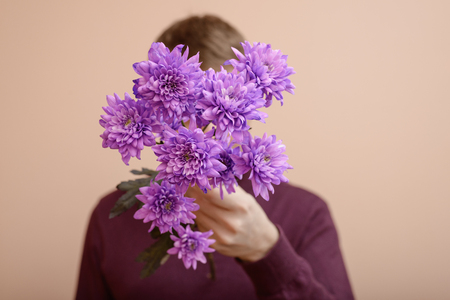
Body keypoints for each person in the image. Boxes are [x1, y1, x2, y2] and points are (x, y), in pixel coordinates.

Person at [76, 15, 354, 300]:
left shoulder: (307, 214)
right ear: (155, 107)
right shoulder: (109, 217)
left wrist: (267, 251)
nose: (201, 129)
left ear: (249, 105)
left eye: (210, 113)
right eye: (190, 112)